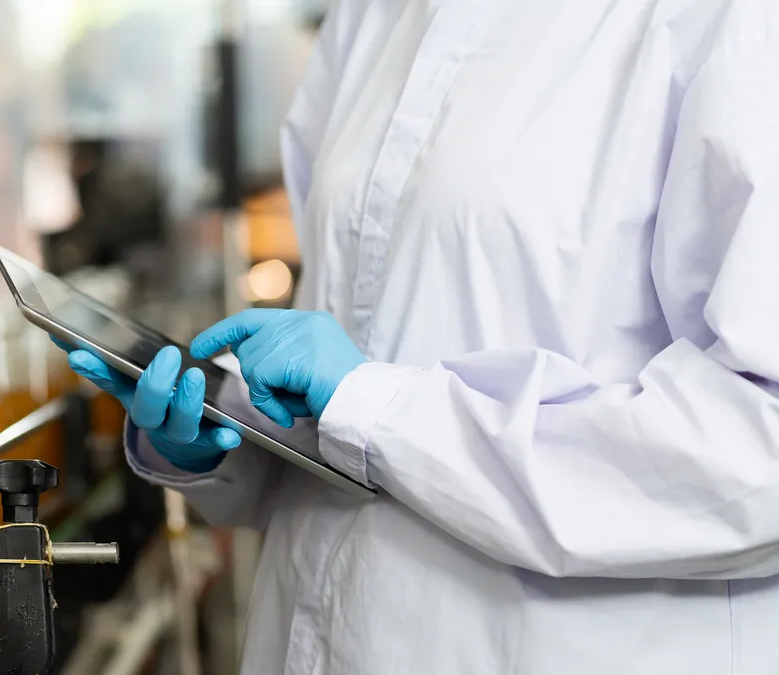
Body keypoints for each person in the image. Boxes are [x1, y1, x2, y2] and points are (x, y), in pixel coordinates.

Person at [55, 0, 779, 672]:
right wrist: (222, 430)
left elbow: (760, 457)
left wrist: (376, 408)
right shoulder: (372, 15)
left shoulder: (725, 20)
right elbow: (346, 374)